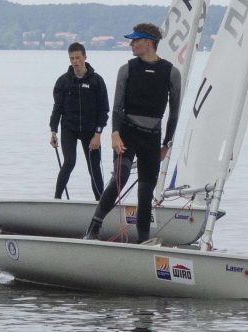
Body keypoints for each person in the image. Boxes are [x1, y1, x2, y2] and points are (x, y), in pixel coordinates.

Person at [84, 23, 181, 243]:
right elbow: (117, 106)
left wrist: (166, 144)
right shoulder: (126, 69)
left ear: (148, 42)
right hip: (126, 133)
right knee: (120, 177)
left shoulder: (171, 73)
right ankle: (93, 229)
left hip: (152, 138)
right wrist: (115, 133)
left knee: (146, 193)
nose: (131, 44)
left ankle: (143, 240)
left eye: (135, 40)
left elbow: (174, 112)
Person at [49, 42, 109, 200]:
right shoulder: (63, 81)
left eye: (78, 57)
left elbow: (104, 110)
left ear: (85, 57)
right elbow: (57, 108)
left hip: (90, 130)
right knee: (69, 162)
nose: (75, 61)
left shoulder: (97, 81)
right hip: (69, 128)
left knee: (94, 167)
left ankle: (100, 202)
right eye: (71, 58)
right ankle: (56, 199)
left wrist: (98, 134)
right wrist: (53, 131)